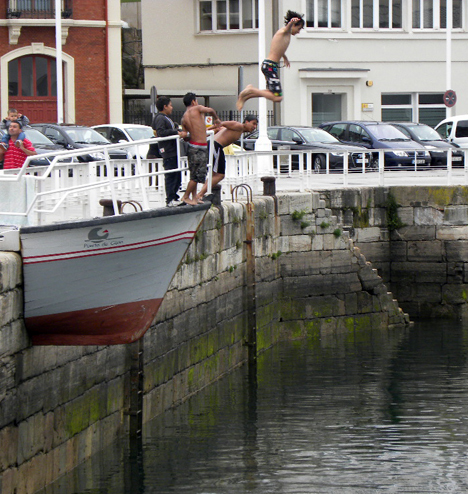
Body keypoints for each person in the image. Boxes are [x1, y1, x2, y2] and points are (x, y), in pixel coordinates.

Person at [236, 10, 304, 110]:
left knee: (271, 93)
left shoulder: (286, 35)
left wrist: (284, 57)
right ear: (293, 25)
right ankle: (250, 89)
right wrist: (291, 23)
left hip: (270, 66)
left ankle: (247, 96)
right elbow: (287, 29)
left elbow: (278, 47)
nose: (299, 31)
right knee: (278, 97)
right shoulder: (284, 31)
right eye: (299, 28)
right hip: (269, 66)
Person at [196, 116, 258, 201]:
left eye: (256, 125)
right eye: (253, 123)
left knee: (215, 174)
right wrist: (205, 131)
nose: (254, 127)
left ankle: (201, 195)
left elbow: (220, 127)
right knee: (220, 175)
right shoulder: (238, 126)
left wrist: (208, 131)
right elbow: (219, 124)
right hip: (215, 145)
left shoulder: (239, 130)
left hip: (214, 146)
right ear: (247, 122)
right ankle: (200, 195)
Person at [180, 92, 221, 206]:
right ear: (194, 101)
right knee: (199, 175)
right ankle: (185, 196)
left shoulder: (184, 117)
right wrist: (216, 119)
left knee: (194, 174)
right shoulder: (197, 109)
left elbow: (186, 135)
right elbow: (211, 110)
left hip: (191, 146)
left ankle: (194, 198)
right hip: (200, 147)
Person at [152, 96, 188, 206]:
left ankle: (174, 197)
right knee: (171, 175)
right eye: (170, 105)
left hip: (173, 150)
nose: (172, 108)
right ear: (165, 106)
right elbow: (161, 132)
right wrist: (176, 133)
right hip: (168, 150)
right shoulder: (160, 118)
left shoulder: (166, 118)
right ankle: (170, 199)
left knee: (176, 174)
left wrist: (178, 130)